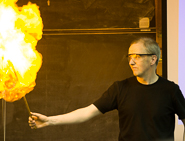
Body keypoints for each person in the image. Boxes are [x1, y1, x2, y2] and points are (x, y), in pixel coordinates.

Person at [28, 37, 185, 141]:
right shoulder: (120, 88)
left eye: (137, 56)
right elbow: (86, 112)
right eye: (129, 57)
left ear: (153, 59)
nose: (131, 62)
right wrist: (49, 121)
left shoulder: (170, 90)